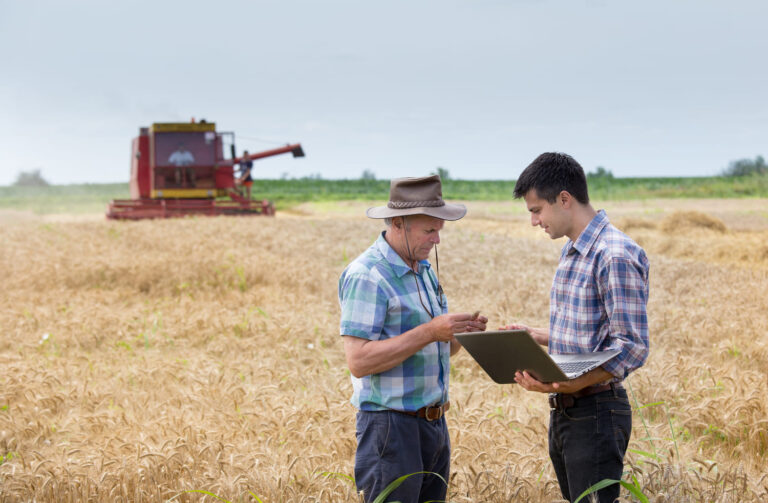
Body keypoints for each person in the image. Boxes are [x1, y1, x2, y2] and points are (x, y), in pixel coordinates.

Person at [504, 152, 649, 503]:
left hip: (596, 410)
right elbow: (589, 334)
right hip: (568, 411)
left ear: (564, 199)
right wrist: (534, 335)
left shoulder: (613, 254)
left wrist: (571, 382)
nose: (534, 221)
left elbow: (631, 346)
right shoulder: (572, 251)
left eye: (536, 210)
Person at [338, 175, 488, 503]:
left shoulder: (424, 270)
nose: (437, 240)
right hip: (390, 429)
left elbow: (439, 350)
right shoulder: (369, 275)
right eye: (429, 230)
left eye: (439, 230)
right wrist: (430, 331)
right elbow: (359, 361)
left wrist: (461, 334)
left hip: (433, 425)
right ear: (398, 222)